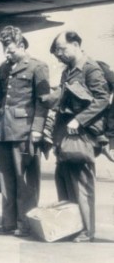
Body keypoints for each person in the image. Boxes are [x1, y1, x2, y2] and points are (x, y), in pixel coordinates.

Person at [50, 31, 109, 242]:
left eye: (62, 48)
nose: (59, 53)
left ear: (75, 44)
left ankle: (86, 230)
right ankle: (71, 226)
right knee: (65, 180)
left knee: (82, 184)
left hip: (82, 135)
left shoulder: (90, 69)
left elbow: (102, 100)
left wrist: (80, 120)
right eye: (57, 50)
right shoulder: (69, 71)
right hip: (66, 135)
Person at [0, 26, 49, 237]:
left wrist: (37, 130)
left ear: (23, 45)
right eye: (5, 51)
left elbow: (42, 103)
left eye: (12, 50)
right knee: (6, 180)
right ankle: (8, 224)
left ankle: (25, 224)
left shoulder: (37, 67)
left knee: (25, 180)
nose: (8, 54)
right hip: (3, 130)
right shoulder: (4, 69)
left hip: (25, 131)